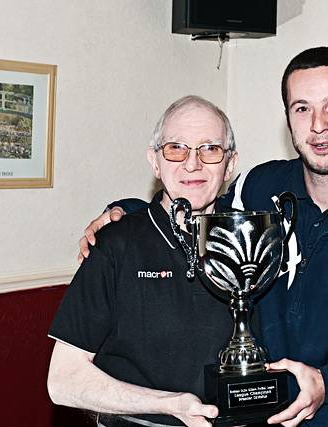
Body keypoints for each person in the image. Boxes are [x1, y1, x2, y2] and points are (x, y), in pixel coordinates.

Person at [80, 47, 328, 426]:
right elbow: (198, 207)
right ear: (288, 119)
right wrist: (128, 213)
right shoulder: (258, 189)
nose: (318, 125)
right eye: (302, 108)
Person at [47, 95, 239, 427]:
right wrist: (169, 405)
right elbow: (63, 381)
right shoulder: (114, 245)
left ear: (230, 163)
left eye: (210, 149)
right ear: (154, 161)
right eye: (176, 148)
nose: (192, 164)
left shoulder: (249, 244)